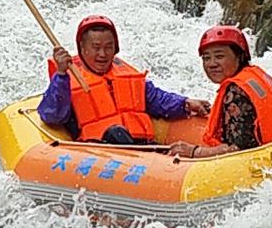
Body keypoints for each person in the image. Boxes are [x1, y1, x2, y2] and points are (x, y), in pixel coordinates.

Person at [39, 15, 208, 144]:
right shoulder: (67, 80)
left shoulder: (126, 75)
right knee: (116, 133)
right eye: (96, 48)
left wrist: (185, 103)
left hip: (140, 148)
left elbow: (158, 99)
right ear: (82, 49)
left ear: (116, 48)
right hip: (98, 151)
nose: (103, 54)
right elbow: (52, 116)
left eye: (108, 47)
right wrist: (61, 75)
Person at [168, 25, 272, 159]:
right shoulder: (258, 77)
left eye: (219, 56)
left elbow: (240, 150)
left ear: (239, 57)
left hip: (265, 163)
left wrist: (195, 152)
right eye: (206, 58)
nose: (211, 64)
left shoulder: (235, 93)